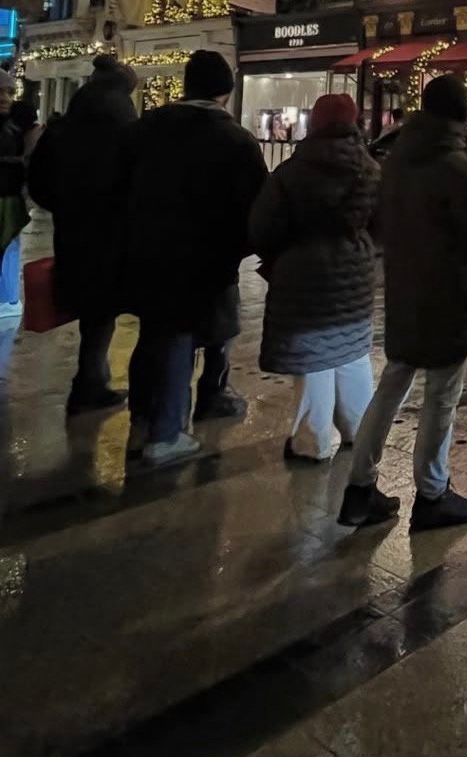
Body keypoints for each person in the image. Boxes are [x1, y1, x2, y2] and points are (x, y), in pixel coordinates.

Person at [338, 75, 467, 530]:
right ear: (461, 117)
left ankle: (358, 488)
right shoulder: (460, 169)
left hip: (405, 291)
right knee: (441, 398)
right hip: (449, 296)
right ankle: (432, 493)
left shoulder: (397, 161)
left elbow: (381, 223)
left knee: (391, 388)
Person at [123, 50, 267, 467]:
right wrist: (237, 248)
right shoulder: (236, 140)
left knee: (154, 335)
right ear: (226, 92)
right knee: (187, 336)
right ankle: (167, 433)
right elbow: (255, 208)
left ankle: (142, 420)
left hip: (147, 251)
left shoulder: (145, 129)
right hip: (205, 259)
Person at [252, 93, 378, 463]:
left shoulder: (292, 172)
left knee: (314, 361)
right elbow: (384, 224)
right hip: (353, 276)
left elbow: (263, 227)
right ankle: (360, 430)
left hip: (303, 276)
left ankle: (314, 441)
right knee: (353, 353)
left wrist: (281, 257)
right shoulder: (369, 169)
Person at [26, 55, 138, 412]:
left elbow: (39, 177)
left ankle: (91, 379)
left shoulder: (70, 119)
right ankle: (89, 383)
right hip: (108, 229)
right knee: (101, 309)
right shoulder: (120, 118)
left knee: (93, 306)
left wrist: (63, 205)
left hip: (73, 228)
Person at [0, 71, 30, 321]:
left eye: (9, 92)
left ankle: (8, 298)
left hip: (9, 196)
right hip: (6, 194)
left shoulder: (12, 126)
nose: (5, 98)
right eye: (0, 91)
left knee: (10, 247)